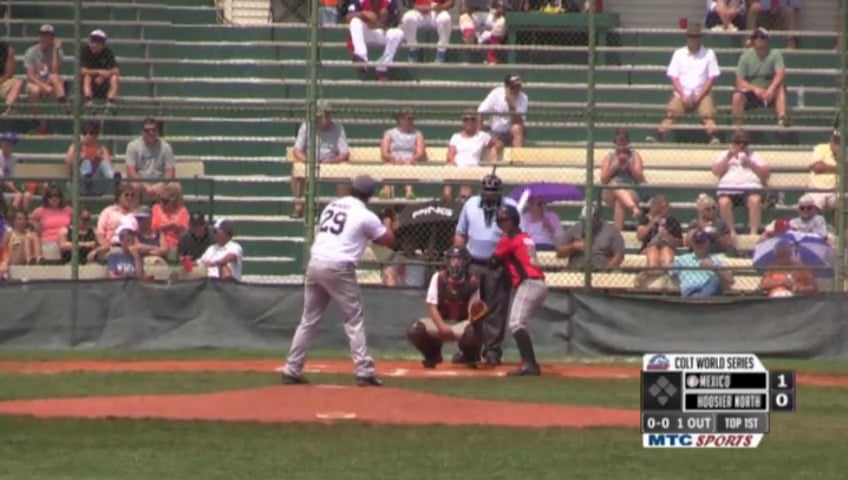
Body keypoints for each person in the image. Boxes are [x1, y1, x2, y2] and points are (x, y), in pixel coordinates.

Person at [282, 174, 396, 386]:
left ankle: (292, 368)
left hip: (316, 261)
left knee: (308, 320)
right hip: (339, 266)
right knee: (354, 319)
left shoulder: (333, 205)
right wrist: (388, 222)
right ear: (369, 195)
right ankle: (364, 370)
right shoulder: (364, 214)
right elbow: (388, 240)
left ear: (352, 189)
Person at [453, 173, 515, 367]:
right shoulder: (471, 204)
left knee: (496, 309)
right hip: (473, 262)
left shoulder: (509, 206)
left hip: (498, 264)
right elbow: (460, 234)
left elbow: (515, 235)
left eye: (494, 191)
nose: (490, 195)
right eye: (487, 191)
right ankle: (469, 350)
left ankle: (493, 351)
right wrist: (459, 260)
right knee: (472, 309)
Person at [406, 246, 484, 369]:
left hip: (461, 323)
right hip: (441, 321)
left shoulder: (473, 282)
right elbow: (432, 306)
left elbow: (472, 311)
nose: (455, 263)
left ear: (466, 262)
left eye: (459, 260)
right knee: (414, 329)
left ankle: (468, 356)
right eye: (452, 259)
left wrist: (471, 321)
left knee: (473, 331)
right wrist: (442, 327)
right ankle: (433, 354)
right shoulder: (439, 277)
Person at [491, 205, 546, 376]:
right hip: (538, 284)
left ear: (514, 220)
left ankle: (530, 364)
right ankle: (529, 363)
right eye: (500, 221)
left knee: (516, 324)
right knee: (518, 323)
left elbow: (493, 262)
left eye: (505, 220)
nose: (502, 224)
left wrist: (500, 246)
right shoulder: (525, 237)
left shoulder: (508, 240)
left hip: (529, 283)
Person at [646, 23, 721, 145]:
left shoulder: (709, 54)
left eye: (696, 37)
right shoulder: (678, 53)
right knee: (671, 113)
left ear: (700, 38)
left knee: (707, 114)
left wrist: (700, 95)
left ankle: (714, 137)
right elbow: (674, 78)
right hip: (682, 94)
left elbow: (711, 78)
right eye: (691, 37)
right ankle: (658, 136)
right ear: (687, 38)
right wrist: (683, 94)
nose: (694, 40)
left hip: (703, 93)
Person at [290, 101, 350, 218]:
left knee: (344, 174)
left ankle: (342, 209)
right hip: (309, 162)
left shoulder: (338, 128)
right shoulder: (306, 126)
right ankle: (298, 206)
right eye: (324, 115)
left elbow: (345, 154)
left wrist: (332, 161)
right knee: (295, 172)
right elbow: (296, 150)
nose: (327, 118)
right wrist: (307, 161)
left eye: (328, 114)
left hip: (331, 163)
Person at [731, 28, 787, 127]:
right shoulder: (745, 56)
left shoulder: (775, 54)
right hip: (752, 93)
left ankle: (782, 119)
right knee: (737, 96)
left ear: (767, 40)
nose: (759, 39)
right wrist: (755, 89)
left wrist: (771, 89)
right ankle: (738, 128)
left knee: (780, 87)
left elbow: (780, 73)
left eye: (762, 37)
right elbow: (739, 80)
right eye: (756, 37)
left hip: (770, 91)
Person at [24, 24, 66, 134]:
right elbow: (30, 76)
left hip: (50, 81)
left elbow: (55, 71)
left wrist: (56, 50)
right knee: (35, 90)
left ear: (53, 38)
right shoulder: (31, 51)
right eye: (43, 35)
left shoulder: (57, 52)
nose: (45, 38)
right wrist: (44, 86)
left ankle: (62, 101)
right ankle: (37, 120)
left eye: (48, 35)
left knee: (55, 77)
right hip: (35, 82)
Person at [600, 129, 645, 230]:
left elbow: (640, 178)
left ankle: (617, 234)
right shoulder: (609, 157)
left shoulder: (635, 155)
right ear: (614, 143)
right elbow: (603, 180)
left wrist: (629, 165)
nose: (622, 144)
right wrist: (615, 167)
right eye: (619, 141)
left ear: (628, 142)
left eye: (624, 141)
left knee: (620, 202)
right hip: (610, 191)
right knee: (613, 183)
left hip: (630, 189)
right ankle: (634, 209)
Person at [557, 205, 625, 270]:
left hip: (601, 272)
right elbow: (559, 253)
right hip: (575, 271)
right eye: (583, 220)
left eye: (588, 220)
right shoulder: (575, 228)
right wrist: (573, 247)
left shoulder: (611, 231)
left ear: (597, 219)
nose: (585, 223)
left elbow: (619, 256)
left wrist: (605, 271)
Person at [669, 229, 734, 298]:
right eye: (697, 242)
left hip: (710, 291)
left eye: (702, 242)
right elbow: (670, 273)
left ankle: (701, 296)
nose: (699, 245)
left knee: (716, 279)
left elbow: (731, 280)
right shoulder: (682, 259)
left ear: (708, 243)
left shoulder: (716, 260)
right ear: (692, 244)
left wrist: (713, 267)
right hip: (690, 292)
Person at [380, 106, 426, 199]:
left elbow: (420, 152)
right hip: (393, 160)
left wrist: (412, 159)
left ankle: (409, 193)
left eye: (412, 119)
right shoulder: (389, 133)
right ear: (400, 120)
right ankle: (386, 192)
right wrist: (391, 158)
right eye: (408, 119)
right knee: (388, 167)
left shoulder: (417, 134)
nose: (411, 121)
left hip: (409, 160)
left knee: (408, 167)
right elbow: (384, 152)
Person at [124, 117, 176, 200]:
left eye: (153, 129)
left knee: (176, 187)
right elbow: (131, 171)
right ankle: (135, 211)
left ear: (157, 131)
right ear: (142, 132)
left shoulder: (166, 147)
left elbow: (170, 172)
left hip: (160, 181)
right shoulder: (132, 146)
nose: (151, 132)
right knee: (134, 185)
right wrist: (144, 185)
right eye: (147, 130)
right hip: (140, 182)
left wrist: (162, 184)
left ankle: (172, 212)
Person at [477, 75, 527, 147]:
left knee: (517, 128)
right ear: (507, 87)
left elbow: (519, 122)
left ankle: (517, 155)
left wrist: (511, 106)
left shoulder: (523, 98)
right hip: (494, 131)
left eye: (518, 86)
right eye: (513, 87)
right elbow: (480, 112)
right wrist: (480, 134)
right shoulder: (496, 93)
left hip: (509, 133)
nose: (516, 89)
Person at [80, 29, 120, 112]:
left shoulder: (107, 52)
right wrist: (99, 72)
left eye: (97, 43)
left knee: (114, 77)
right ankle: (89, 102)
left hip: (103, 84)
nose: (94, 45)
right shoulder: (85, 51)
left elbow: (116, 70)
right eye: (92, 42)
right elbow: (82, 71)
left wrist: (105, 75)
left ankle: (110, 103)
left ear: (103, 44)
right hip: (89, 83)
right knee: (87, 76)